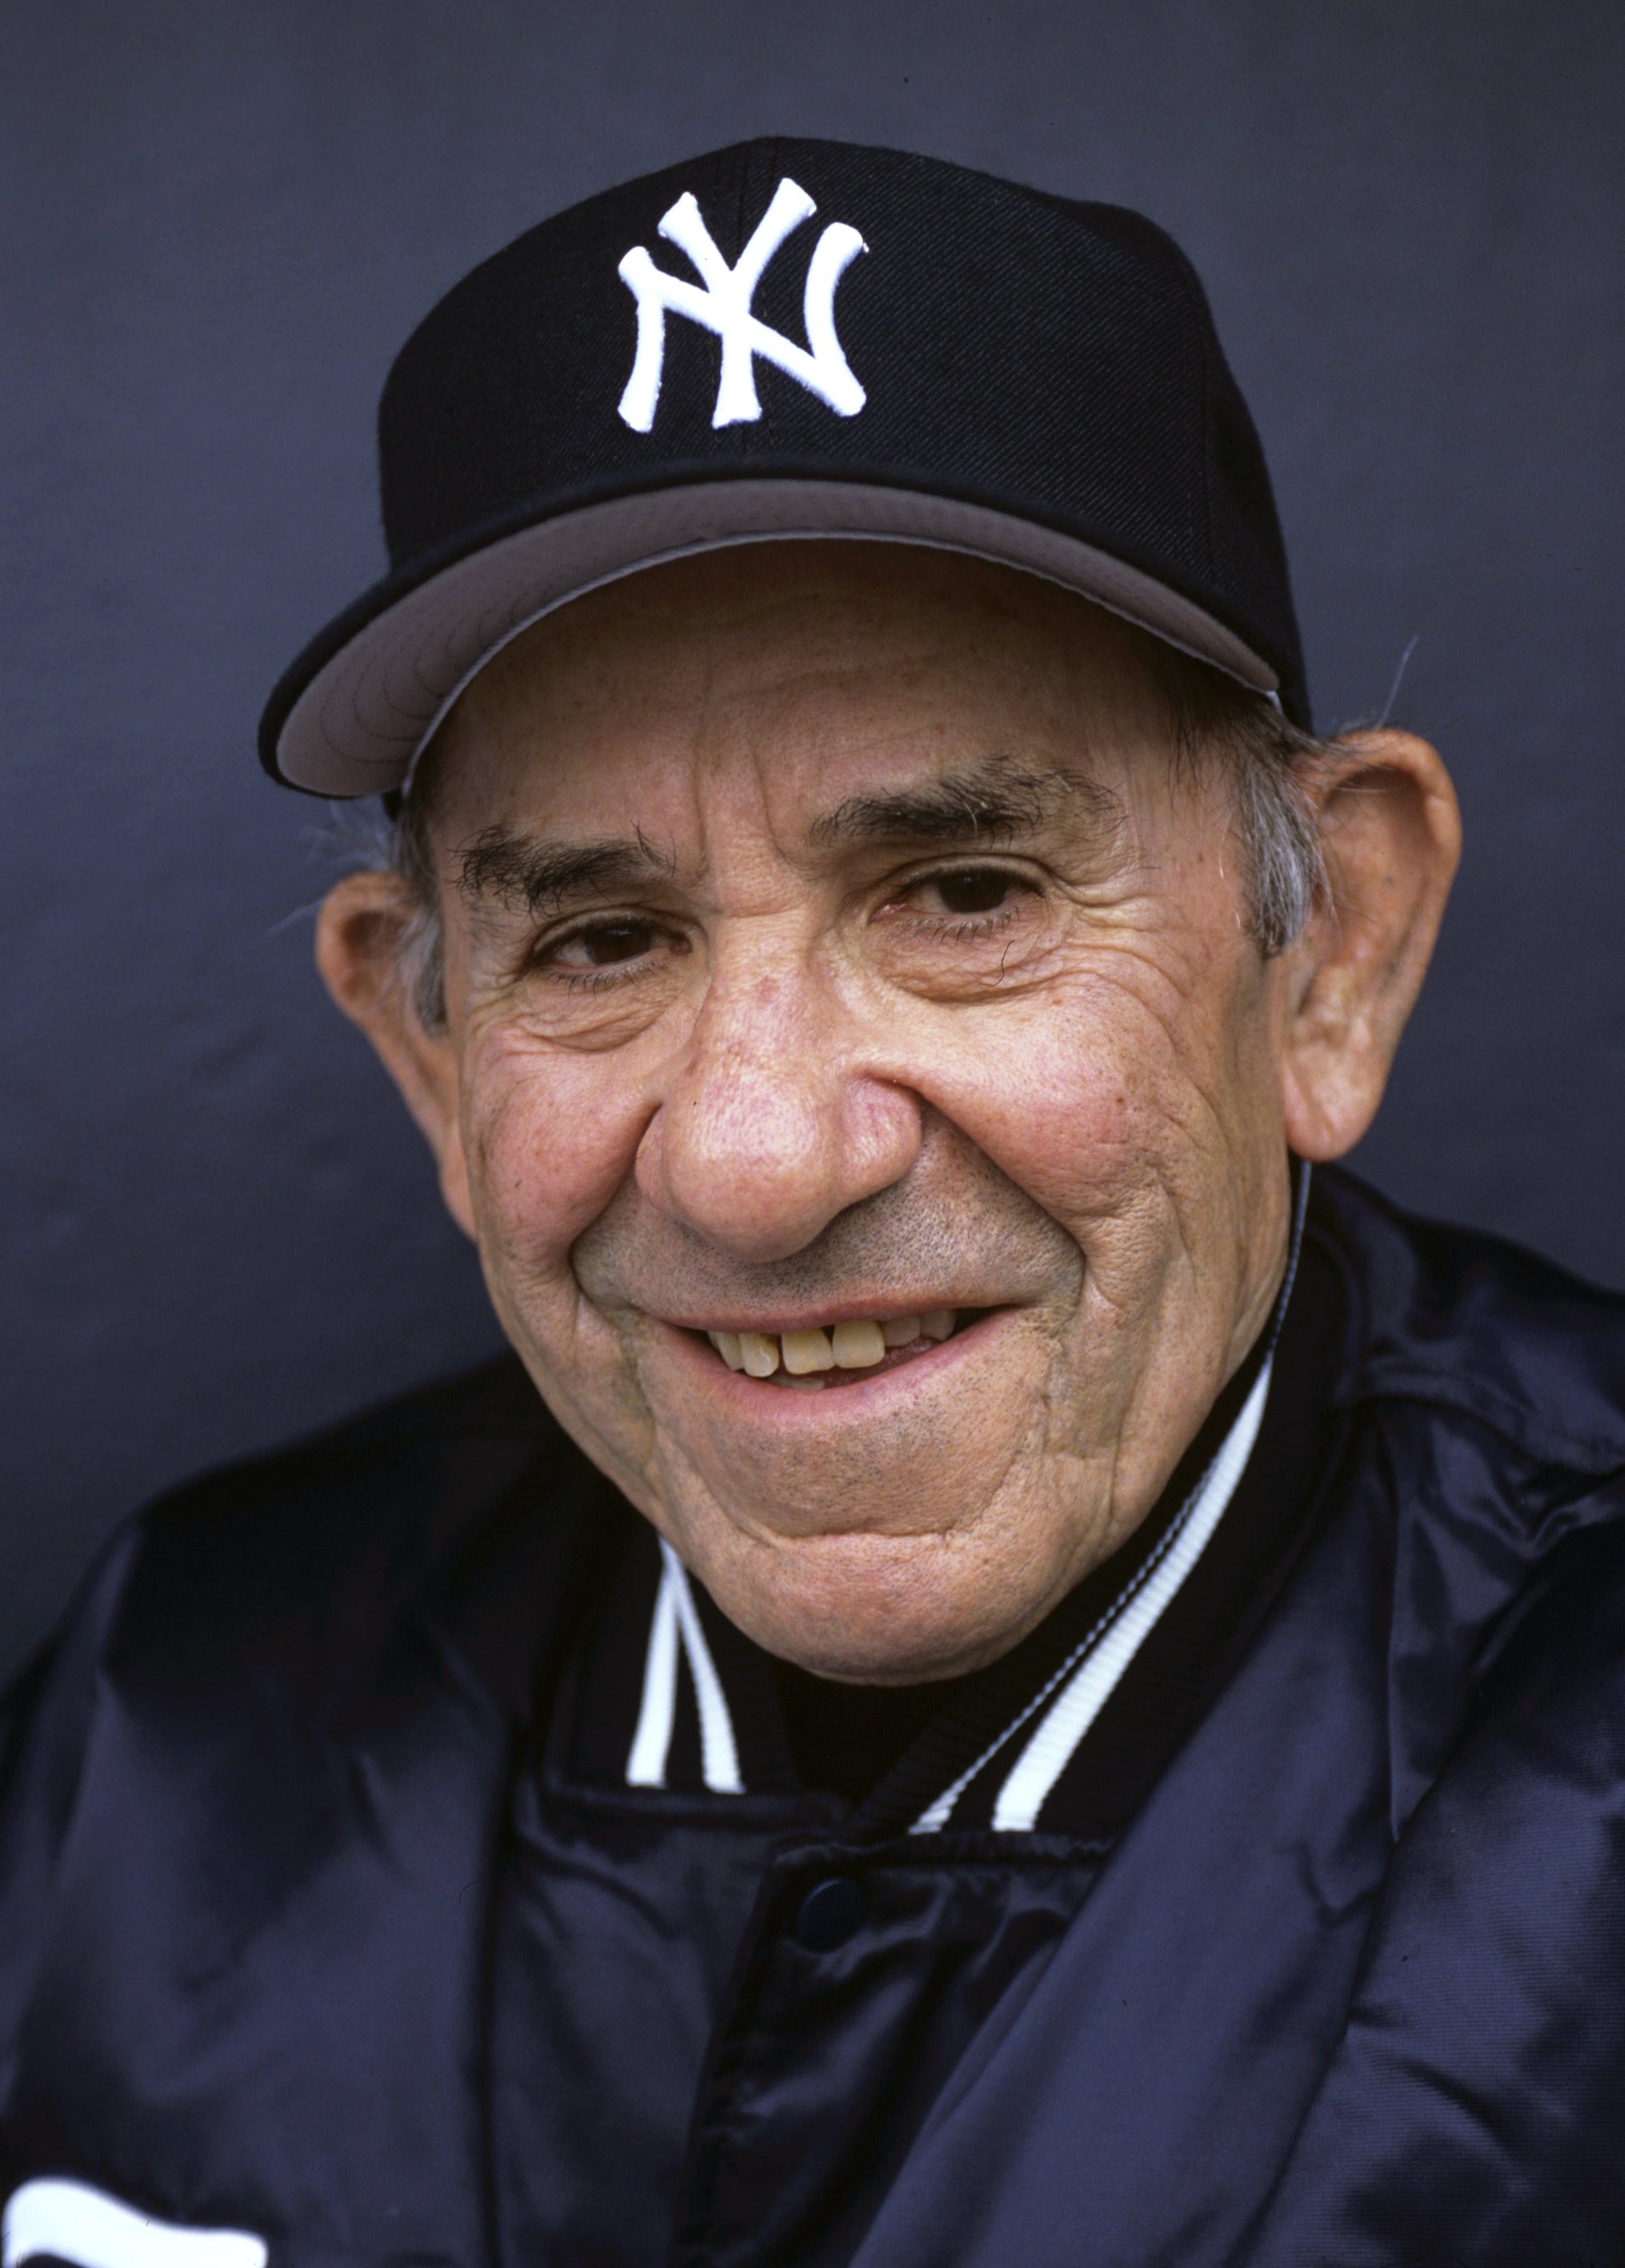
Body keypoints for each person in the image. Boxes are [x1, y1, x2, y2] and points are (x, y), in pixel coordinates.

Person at [3, 136, 1623, 2268]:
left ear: (1330, 955)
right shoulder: (170, 1715)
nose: (755, 1163)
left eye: (964, 895)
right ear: (427, 1051)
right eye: (598, 943)